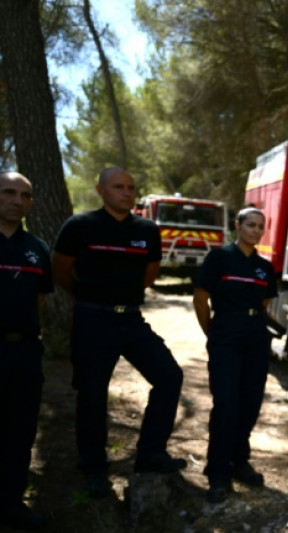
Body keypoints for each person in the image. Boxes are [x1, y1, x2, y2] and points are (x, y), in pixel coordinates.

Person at [52, 167, 186, 498]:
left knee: (169, 376)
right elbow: (61, 270)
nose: (126, 192)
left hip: (131, 320)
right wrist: (90, 298)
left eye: (131, 187)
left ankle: (151, 453)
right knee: (92, 394)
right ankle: (94, 467)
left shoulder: (147, 230)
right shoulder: (80, 226)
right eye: (118, 187)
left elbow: (148, 276)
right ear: (101, 190)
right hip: (92, 320)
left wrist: (121, 296)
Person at [193, 207, 277, 503]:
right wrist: (213, 333)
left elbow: (264, 302)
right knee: (226, 404)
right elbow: (200, 298)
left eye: (260, 226)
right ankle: (218, 473)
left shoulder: (264, 267)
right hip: (226, 333)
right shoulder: (219, 258)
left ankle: (239, 461)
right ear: (238, 225)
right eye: (250, 224)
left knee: (250, 403)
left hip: (256, 335)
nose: (255, 230)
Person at [0, 172, 52, 530]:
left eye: (25, 195)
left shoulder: (37, 248)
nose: (17, 200)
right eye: (8, 192)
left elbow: (40, 298)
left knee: (20, 431)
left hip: (25, 352)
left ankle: (11, 504)